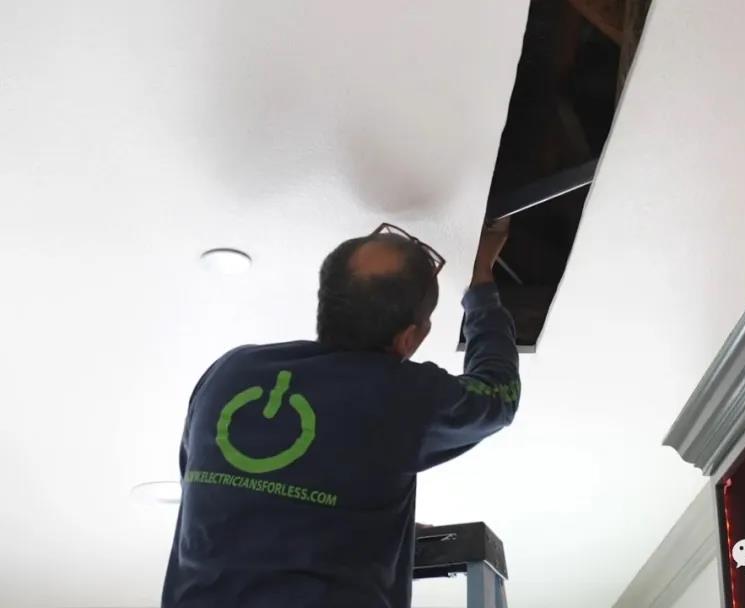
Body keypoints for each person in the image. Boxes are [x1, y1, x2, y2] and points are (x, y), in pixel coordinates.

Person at [162, 220, 520, 607]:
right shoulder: (396, 394)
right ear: (409, 338)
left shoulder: (228, 373)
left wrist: (354, 517)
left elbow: (209, 485)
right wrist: (482, 286)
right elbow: (497, 395)